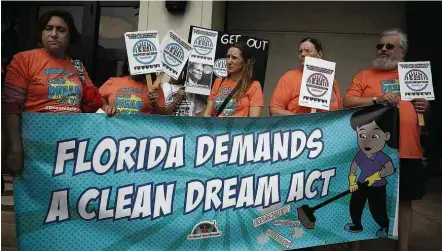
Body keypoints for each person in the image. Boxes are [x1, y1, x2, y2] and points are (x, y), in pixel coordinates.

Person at [343, 29, 430, 251]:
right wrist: (377, 98)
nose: (383, 49)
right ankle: (356, 246)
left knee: (405, 200)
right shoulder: (364, 75)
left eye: (389, 46)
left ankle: (403, 247)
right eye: (380, 46)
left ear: (403, 52)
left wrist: (424, 106)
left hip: (408, 148)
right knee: (361, 197)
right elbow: (347, 101)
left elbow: (421, 108)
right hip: (370, 151)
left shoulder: (413, 75)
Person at [1, 10, 103, 176]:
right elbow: (10, 107)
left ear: (70, 37)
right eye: (49, 28)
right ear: (41, 33)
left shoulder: (77, 66)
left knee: (67, 198)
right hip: (34, 149)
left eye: (61, 30)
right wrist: (14, 149)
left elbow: (94, 100)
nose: (54, 34)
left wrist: (108, 107)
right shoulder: (24, 60)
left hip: (72, 148)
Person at [346, 104, 398, 238]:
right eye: (362, 135)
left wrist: (377, 175)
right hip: (361, 184)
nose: (367, 141)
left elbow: (390, 169)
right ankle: (356, 224)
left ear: (386, 136)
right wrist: (352, 180)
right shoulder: (359, 155)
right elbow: (353, 166)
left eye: (374, 136)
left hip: (377, 187)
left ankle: (384, 226)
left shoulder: (382, 157)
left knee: (377, 209)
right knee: (355, 204)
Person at [269, 37, 342, 115]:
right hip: (298, 126)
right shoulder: (289, 78)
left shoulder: (330, 80)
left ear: (319, 54)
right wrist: (301, 120)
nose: (303, 54)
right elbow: (274, 110)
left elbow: (339, 112)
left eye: (307, 51)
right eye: (300, 52)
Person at [202, 42, 263, 117]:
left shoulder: (254, 85)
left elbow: (253, 121)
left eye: (234, 57)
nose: (229, 61)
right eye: (228, 57)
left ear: (246, 62)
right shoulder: (219, 82)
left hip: (238, 128)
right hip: (218, 127)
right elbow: (207, 114)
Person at [99, 60, 165, 116]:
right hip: (114, 129)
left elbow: (163, 115)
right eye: (133, 61)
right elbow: (98, 98)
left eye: (140, 62)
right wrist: (106, 107)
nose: (136, 65)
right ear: (128, 63)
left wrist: (155, 105)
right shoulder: (113, 81)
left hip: (139, 130)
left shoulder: (154, 87)